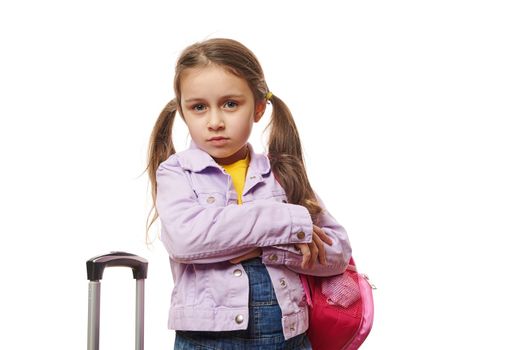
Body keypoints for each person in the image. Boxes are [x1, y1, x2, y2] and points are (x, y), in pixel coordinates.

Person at [146, 38, 352, 350]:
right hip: (205, 342)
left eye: (230, 104)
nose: (215, 122)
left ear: (257, 108)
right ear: (184, 112)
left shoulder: (282, 173)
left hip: (288, 338)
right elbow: (186, 239)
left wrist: (269, 253)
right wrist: (284, 221)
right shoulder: (177, 173)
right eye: (199, 107)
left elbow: (337, 252)